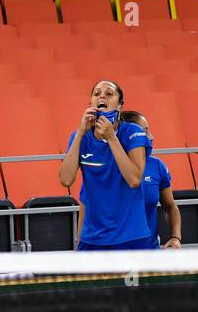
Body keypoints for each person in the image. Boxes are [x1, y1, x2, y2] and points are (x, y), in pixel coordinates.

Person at [58, 81, 150, 250]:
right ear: (91, 103)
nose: (102, 96)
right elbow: (65, 180)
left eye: (109, 94)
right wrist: (79, 134)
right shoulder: (80, 137)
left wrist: (111, 138)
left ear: (120, 105)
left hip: (131, 236)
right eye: (97, 93)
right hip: (92, 238)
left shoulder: (132, 132)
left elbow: (134, 180)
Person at [119, 110, 181, 249]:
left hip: (149, 252)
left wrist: (175, 237)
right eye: (145, 132)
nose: (151, 137)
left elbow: (170, 206)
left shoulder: (157, 165)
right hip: (114, 255)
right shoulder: (107, 167)